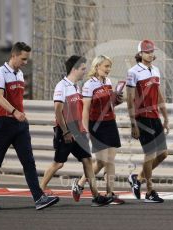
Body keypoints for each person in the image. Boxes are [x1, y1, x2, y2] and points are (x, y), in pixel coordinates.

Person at [0, 42, 59, 210]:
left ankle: (39, 198)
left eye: (27, 59)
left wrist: (20, 117)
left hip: (20, 124)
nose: (25, 62)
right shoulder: (0, 72)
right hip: (4, 123)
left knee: (29, 162)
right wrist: (15, 112)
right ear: (14, 55)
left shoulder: (20, 74)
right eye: (23, 59)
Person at [40, 55, 113, 207]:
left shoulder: (77, 87)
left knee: (87, 161)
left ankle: (96, 196)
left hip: (79, 132)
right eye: (82, 69)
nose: (84, 72)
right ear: (74, 70)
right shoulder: (62, 86)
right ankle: (39, 191)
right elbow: (58, 111)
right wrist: (66, 132)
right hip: (66, 132)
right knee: (58, 163)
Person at [71, 55, 125, 205]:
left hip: (110, 123)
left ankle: (110, 193)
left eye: (109, 66)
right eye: (106, 66)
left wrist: (117, 100)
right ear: (97, 67)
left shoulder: (107, 82)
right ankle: (80, 184)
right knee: (101, 162)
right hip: (97, 125)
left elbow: (109, 104)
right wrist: (85, 130)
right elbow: (85, 110)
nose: (109, 69)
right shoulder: (89, 85)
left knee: (110, 160)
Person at [126, 39, 169, 203]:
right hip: (141, 117)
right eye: (147, 52)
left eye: (152, 51)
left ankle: (137, 178)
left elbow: (159, 95)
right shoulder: (133, 72)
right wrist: (133, 123)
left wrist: (166, 117)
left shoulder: (156, 70)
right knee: (149, 154)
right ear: (140, 54)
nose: (150, 54)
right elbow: (129, 99)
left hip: (154, 116)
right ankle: (150, 191)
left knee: (163, 154)